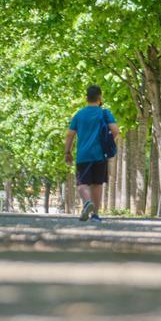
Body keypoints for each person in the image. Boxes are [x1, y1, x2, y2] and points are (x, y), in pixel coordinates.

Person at [64, 85, 119, 222]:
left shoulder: (79, 115)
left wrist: (67, 152)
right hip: (100, 155)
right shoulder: (105, 113)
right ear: (99, 98)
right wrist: (107, 140)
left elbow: (70, 135)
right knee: (97, 184)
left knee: (82, 183)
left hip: (83, 155)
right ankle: (95, 215)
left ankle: (87, 202)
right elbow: (115, 130)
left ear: (86, 98)